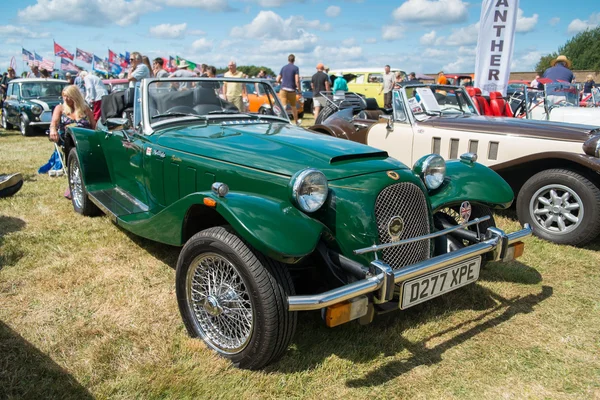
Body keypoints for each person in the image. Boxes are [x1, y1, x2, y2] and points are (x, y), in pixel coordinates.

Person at [49, 85, 96, 198]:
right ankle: (75, 180)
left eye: (68, 96)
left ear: (75, 96)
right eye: (64, 96)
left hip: (85, 139)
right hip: (68, 141)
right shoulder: (60, 108)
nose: (66, 99)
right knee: (71, 144)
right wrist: (53, 130)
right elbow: (54, 122)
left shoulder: (85, 109)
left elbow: (94, 125)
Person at [276, 54, 301, 125]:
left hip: (283, 89)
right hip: (291, 90)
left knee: (283, 106)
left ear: (288, 60)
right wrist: (299, 89)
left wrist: (281, 82)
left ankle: (280, 119)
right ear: (294, 60)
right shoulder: (296, 68)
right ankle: (296, 121)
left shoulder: (283, 68)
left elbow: (277, 79)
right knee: (293, 106)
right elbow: (297, 80)